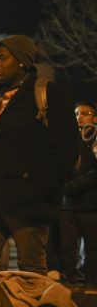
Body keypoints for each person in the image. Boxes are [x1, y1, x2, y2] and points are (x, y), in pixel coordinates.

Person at [0, 35, 79, 275]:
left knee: (31, 273)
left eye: (3, 58)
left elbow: (66, 150)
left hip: (28, 205)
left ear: (23, 61)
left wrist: (38, 188)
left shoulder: (48, 94)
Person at [60, 102, 97, 284]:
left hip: (89, 202)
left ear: (94, 117)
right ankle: (69, 277)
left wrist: (74, 186)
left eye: (85, 113)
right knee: (67, 245)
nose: (79, 117)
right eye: (76, 114)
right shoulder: (68, 139)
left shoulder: (95, 138)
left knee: (91, 246)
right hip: (67, 204)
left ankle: (91, 278)